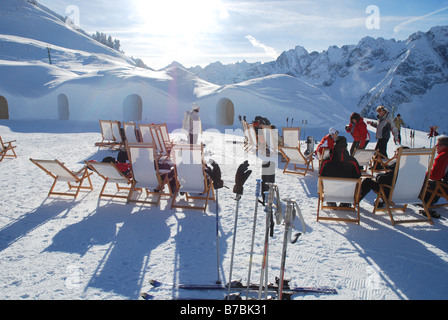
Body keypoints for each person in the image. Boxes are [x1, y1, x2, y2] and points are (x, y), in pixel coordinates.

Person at [320, 136, 361, 207]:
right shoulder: (352, 161)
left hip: (330, 193)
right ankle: (346, 203)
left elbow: (320, 175)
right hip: (348, 195)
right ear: (346, 146)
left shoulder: (326, 161)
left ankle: (331, 201)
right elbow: (358, 176)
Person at [422, 136, 448, 217]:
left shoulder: (443, 156)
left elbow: (435, 176)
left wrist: (424, 175)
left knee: (421, 181)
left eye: (437, 146)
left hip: (444, 186)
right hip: (445, 184)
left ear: (443, 146)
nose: (436, 148)